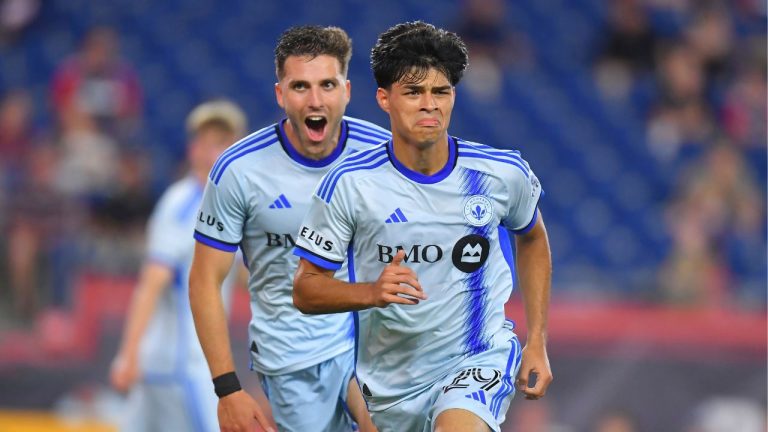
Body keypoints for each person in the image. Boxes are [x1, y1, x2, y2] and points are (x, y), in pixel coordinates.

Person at [293, 21, 553, 432]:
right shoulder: (349, 185)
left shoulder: (501, 174)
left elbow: (533, 237)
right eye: (414, 92)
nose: (429, 104)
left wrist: (536, 338)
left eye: (441, 91)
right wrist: (371, 292)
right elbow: (306, 289)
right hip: (389, 387)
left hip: (476, 357)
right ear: (384, 98)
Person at [189, 26, 389, 432]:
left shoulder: (382, 155)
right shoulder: (238, 170)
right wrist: (228, 390)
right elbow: (205, 280)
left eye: (327, 85)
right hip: (291, 359)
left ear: (346, 91)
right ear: (281, 94)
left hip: (368, 345)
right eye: (300, 86)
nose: (315, 100)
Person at [110, 99, 248, 432]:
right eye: (209, 142)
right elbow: (152, 282)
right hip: (184, 365)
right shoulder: (185, 204)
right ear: (194, 150)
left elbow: (239, 275)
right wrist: (127, 354)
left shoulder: (228, 205)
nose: (216, 151)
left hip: (166, 364)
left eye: (224, 143)